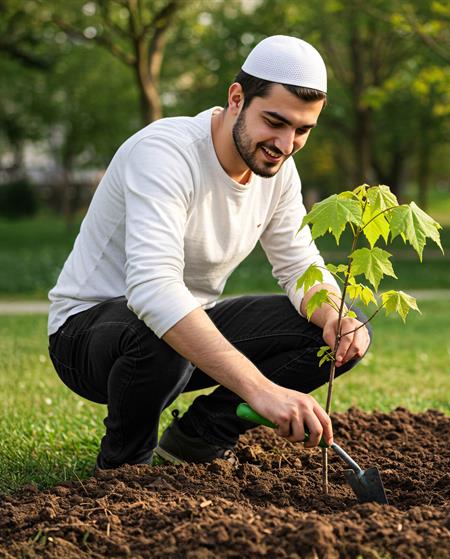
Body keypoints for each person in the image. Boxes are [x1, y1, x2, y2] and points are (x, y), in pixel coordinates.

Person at [46, 35, 371, 470]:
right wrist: (260, 389)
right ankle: (124, 469)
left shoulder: (280, 171)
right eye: (274, 122)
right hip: (87, 336)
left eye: (302, 130)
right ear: (237, 98)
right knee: (160, 328)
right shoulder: (164, 153)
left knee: (328, 336)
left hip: (183, 339)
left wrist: (335, 315)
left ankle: (196, 439)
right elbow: (153, 289)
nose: (285, 143)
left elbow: (299, 267)